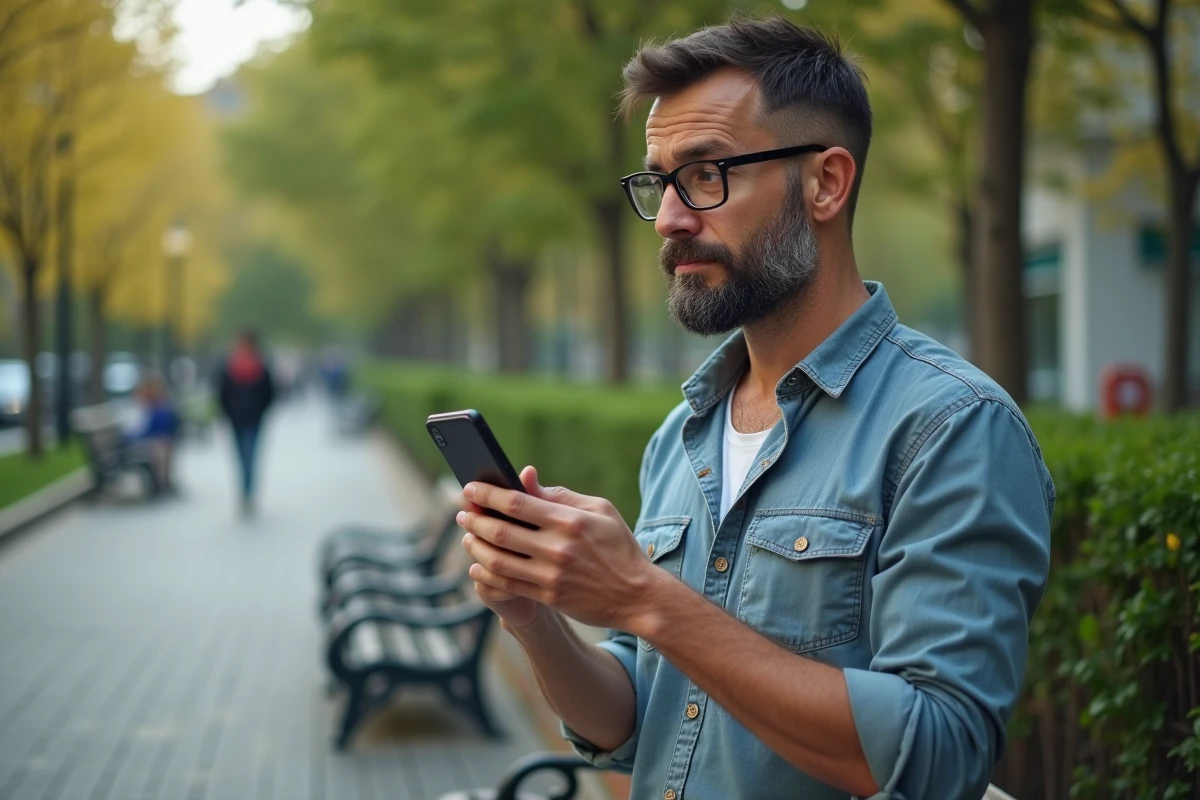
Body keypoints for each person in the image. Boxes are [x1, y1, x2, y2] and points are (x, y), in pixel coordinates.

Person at [455, 16, 1053, 800]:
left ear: (827, 183)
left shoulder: (951, 427)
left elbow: (938, 753)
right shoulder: (685, 432)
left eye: (706, 175)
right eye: (659, 181)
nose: (669, 218)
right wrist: (536, 617)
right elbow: (637, 721)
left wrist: (645, 595)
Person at [217, 330, 275, 516]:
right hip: (235, 420)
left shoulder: (261, 368)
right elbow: (222, 394)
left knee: (250, 457)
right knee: (240, 457)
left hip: (254, 420)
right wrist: (227, 414)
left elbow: (270, 394)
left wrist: (260, 412)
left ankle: (247, 494)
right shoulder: (229, 368)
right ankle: (244, 492)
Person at [127, 373, 180, 495]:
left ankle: (163, 483)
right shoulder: (139, 406)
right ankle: (160, 484)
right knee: (160, 448)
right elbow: (135, 430)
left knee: (165, 445)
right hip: (135, 444)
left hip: (148, 441)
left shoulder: (157, 406)